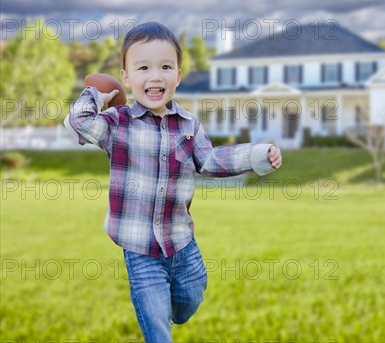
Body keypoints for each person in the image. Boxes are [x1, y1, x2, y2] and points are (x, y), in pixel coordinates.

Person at [64, 21, 282, 342]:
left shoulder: (188, 125)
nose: (155, 76)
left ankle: (179, 308)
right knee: (157, 326)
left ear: (178, 76)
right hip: (140, 250)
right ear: (127, 77)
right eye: (143, 68)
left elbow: (210, 161)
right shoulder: (117, 124)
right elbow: (80, 121)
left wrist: (257, 156)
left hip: (182, 243)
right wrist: (96, 94)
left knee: (191, 298)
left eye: (165, 67)